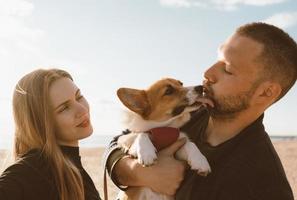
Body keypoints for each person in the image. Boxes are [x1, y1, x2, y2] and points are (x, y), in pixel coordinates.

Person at [103, 22, 296, 199]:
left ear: (266, 92)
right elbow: (117, 143)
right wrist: (137, 172)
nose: (208, 73)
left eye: (227, 69)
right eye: (216, 60)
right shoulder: (188, 113)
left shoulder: (265, 186)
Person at [0, 69, 101, 200]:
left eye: (78, 97)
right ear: (40, 122)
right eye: (64, 108)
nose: (82, 110)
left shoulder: (70, 165)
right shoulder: (30, 171)